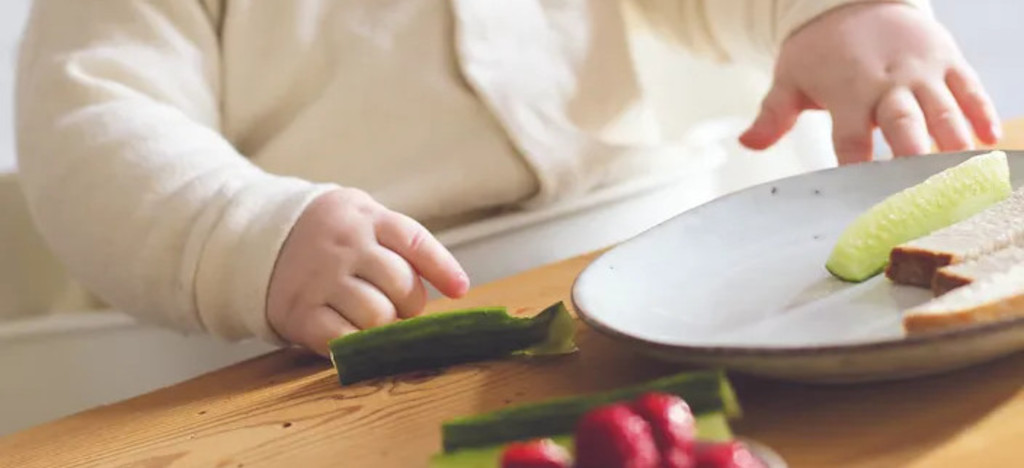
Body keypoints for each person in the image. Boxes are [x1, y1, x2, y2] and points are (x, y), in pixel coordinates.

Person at [15, 0, 998, 357]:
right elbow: (91, 117)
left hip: (674, 271)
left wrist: (832, 14)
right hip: (345, 333)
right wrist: (236, 234)